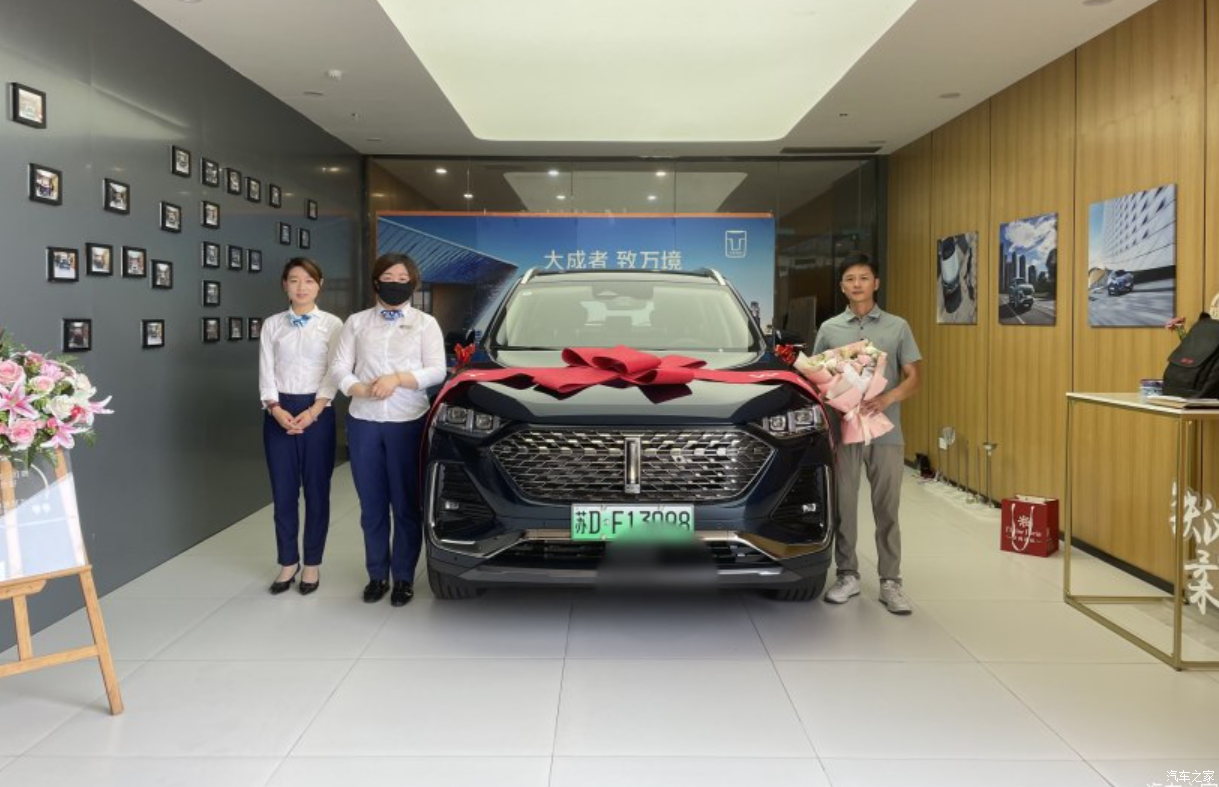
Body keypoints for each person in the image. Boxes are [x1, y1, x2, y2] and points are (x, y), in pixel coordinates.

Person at [331, 252, 445, 606]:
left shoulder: (426, 323)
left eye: (402, 279)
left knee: (406, 504)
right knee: (372, 505)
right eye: (389, 278)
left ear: (413, 284)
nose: (395, 284)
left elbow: (438, 370)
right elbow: (338, 367)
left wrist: (399, 379)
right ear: (376, 282)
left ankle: (404, 577)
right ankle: (377, 575)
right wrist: (358, 388)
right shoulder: (356, 322)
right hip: (364, 421)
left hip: (407, 421)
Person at [813, 252, 922, 615]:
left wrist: (887, 397)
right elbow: (817, 377)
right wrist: (836, 397)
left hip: (885, 432)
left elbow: (914, 378)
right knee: (844, 505)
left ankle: (891, 581)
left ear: (876, 283)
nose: (857, 284)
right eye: (850, 279)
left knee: (887, 508)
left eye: (863, 278)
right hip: (844, 432)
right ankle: (847, 574)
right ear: (842, 287)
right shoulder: (829, 329)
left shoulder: (897, 327)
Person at [259, 258, 343, 595]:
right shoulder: (272, 325)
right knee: (283, 493)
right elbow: (266, 370)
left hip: (317, 411)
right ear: (285, 285)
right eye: (294, 280)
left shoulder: (333, 324)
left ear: (319, 285)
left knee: (317, 492)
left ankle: (312, 564)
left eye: (308, 280)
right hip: (278, 412)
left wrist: (314, 410)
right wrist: (275, 408)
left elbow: (335, 371)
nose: (301, 287)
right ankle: (287, 562)